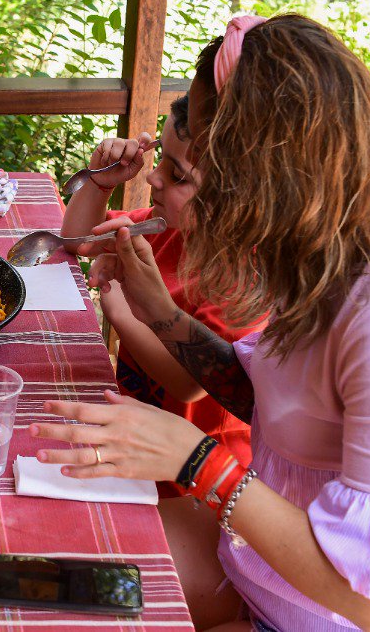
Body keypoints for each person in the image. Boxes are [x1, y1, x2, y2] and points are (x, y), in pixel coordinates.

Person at [32, 14, 370, 631]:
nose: (168, 177)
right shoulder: (319, 255)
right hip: (248, 565)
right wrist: (162, 314)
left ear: (260, 171)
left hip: (305, 617)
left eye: (197, 163)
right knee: (42, 569)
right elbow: (262, 397)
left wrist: (193, 459)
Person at [60, 97, 261, 477]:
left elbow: (188, 385)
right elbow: (79, 240)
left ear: (238, 198)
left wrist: (118, 305)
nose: (153, 178)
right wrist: (100, 183)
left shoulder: (241, 280)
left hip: (197, 471)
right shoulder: (166, 228)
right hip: (135, 432)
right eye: (161, 160)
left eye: (179, 176)